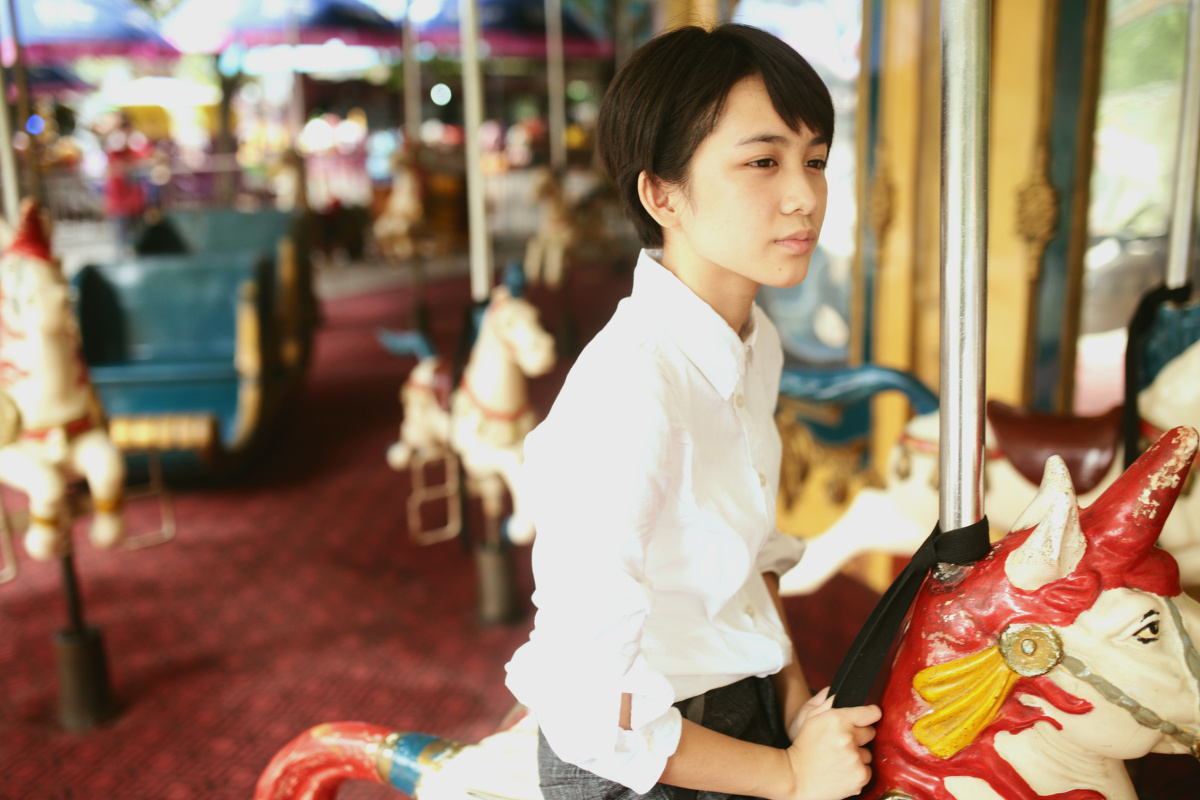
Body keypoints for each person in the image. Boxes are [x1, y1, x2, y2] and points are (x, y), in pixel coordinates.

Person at [504, 23, 881, 800]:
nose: (805, 195)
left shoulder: (752, 341)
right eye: (763, 161)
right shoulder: (629, 388)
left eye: (815, 160)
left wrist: (795, 708)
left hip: (741, 707)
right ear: (662, 194)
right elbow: (586, 708)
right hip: (641, 761)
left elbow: (751, 561)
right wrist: (787, 774)